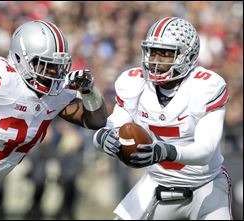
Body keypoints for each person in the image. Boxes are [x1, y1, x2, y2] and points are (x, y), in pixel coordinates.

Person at [0, 20, 107, 219]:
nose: (53, 73)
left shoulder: (56, 94)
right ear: (21, 58)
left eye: (57, 66)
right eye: (46, 65)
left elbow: (97, 121)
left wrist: (88, 91)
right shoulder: (2, 80)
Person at [93, 17, 232, 220]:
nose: (155, 60)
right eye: (153, 52)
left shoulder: (206, 87)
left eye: (166, 54)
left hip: (205, 185)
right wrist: (103, 138)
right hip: (157, 182)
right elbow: (111, 126)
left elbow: (205, 151)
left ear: (187, 56)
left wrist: (164, 150)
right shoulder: (134, 83)